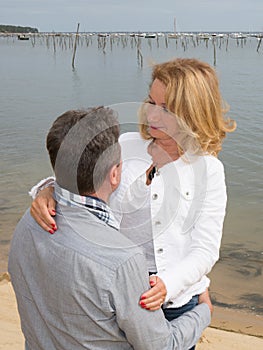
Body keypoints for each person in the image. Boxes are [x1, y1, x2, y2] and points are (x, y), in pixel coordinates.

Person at [30, 58, 236, 348]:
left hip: (177, 303)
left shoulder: (210, 171)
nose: (152, 113)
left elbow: (205, 249)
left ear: (193, 113)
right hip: (116, 291)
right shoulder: (125, 144)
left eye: (166, 109)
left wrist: (168, 284)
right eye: (151, 101)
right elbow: (78, 179)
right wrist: (47, 189)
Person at [8, 107, 212, 350]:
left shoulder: (28, 224)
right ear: (115, 174)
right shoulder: (122, 260)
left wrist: (49, 186)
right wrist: (203, 311)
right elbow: (162, 345)